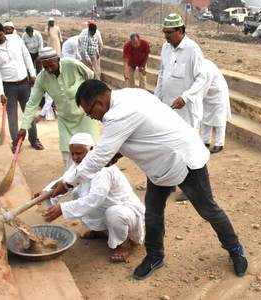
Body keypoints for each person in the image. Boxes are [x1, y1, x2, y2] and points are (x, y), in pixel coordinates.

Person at [50, 80, 248, 280]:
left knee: (208, 210)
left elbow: (98, 156)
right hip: (159, 165)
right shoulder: (130, 94)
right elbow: (137, 133)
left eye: (89, 112)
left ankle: (235, 249)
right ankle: (154, 256)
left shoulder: (117, 115)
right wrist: (118, 153)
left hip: (185, 159)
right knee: (152, 214)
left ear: (99, 103)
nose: (91, 117)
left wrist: (66, 183)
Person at [40, 133, 145, 262]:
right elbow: (65, 180)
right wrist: (46, 191)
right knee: (78, 194)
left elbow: (95, 199)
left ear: (91, 150)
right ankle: (101, 230)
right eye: (72, 154)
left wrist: (62, 208)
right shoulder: (80, 165)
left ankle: (124, 244)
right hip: (104, 207)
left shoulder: (104, 169)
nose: (75, 157)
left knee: (114, 213)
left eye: (79, 153)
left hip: (124, 210)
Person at [18, 47, 98, 169]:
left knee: (90, 151)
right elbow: (32, 103)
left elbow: (91, 77)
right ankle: (71, 183)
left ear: (58, 59)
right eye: (45, 67)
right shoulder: (42, 78)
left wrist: (92, 102)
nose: (49, 69)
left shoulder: (72, 64)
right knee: (68, 154)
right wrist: (24, 126)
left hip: (85, 116)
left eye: (51, 65)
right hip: (65, 120)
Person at [0, 21, 44, 151]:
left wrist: (32, 74)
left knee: (29, 113)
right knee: (12, 117)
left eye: (0, 35)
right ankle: (16, 142)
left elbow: (27, 57)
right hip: (8, 88)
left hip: (24, 84)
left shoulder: (16, 40)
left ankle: (34, 140)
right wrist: (1, 93)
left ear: (4, 32)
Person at [155, 13, 208, 129]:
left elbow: (202, 78)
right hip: (168, 107)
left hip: (186, 111)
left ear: (180, 31)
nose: (166, 36)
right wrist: (157, 97)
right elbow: (162, 74)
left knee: (187, 143)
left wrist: (185, 97)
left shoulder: (192, 49)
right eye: (164, 32)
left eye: (169, 32)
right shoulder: (166, 48)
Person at [200, 59, 231, 154]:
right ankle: (205, 141)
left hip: (217, 94)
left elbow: (204, 84)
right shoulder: (195, 66)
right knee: (205, 118)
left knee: (219, 120)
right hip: (207, 94)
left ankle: (219, 143)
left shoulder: (205, 66)